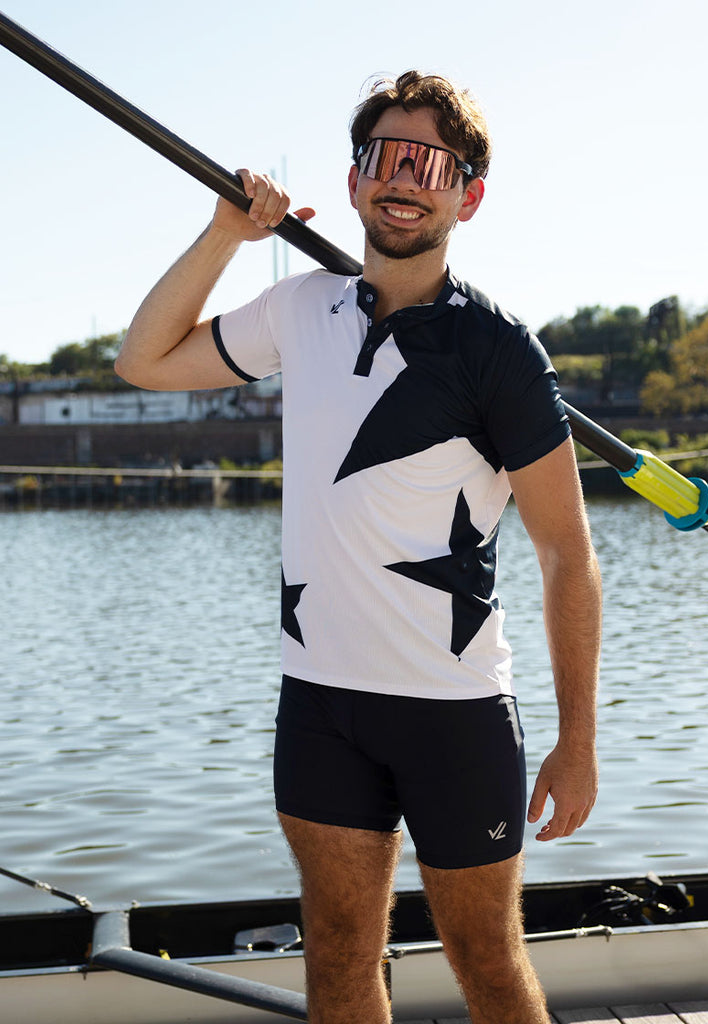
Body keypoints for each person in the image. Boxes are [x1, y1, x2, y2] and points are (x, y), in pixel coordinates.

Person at [116, 70, 601, 1024]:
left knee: (487, 963)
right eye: (386, 157)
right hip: (322, 705)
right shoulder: (300, 308)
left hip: (454, 711)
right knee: (337, 957)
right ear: (352, 181)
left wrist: (576, 740)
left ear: (468, 197)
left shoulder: (500, 351)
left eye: (432, 164)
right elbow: (143, 360)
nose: (405, 179)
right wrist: (225, 234)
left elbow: (566, 555)